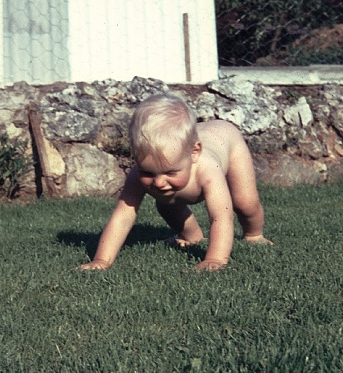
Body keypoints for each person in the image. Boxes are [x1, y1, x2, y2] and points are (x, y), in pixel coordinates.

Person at [77, 93, 272, 272]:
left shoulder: (208, 171)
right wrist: (101, 260)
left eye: (170, 172)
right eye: (148, 172)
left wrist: (215, 259)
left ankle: (253, 234)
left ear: (194, 153)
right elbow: (122, 217)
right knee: (167, 205)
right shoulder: (138, 174)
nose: (159, 182)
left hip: (227, 141)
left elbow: (221, 217)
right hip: (194, 147)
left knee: (244, 202)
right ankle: (193, 237)